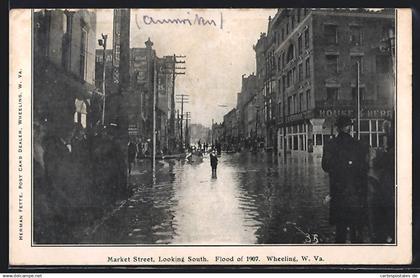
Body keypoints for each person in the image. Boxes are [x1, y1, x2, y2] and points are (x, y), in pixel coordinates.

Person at [322, 115, 368, 243]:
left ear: (337, 128)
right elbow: (364, 170)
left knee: (340, 231)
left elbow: (325, 166)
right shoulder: (358, 145)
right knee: (355, 229)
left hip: (337, 192)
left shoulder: (330, 145)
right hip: (355, 193)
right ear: (349, 128)